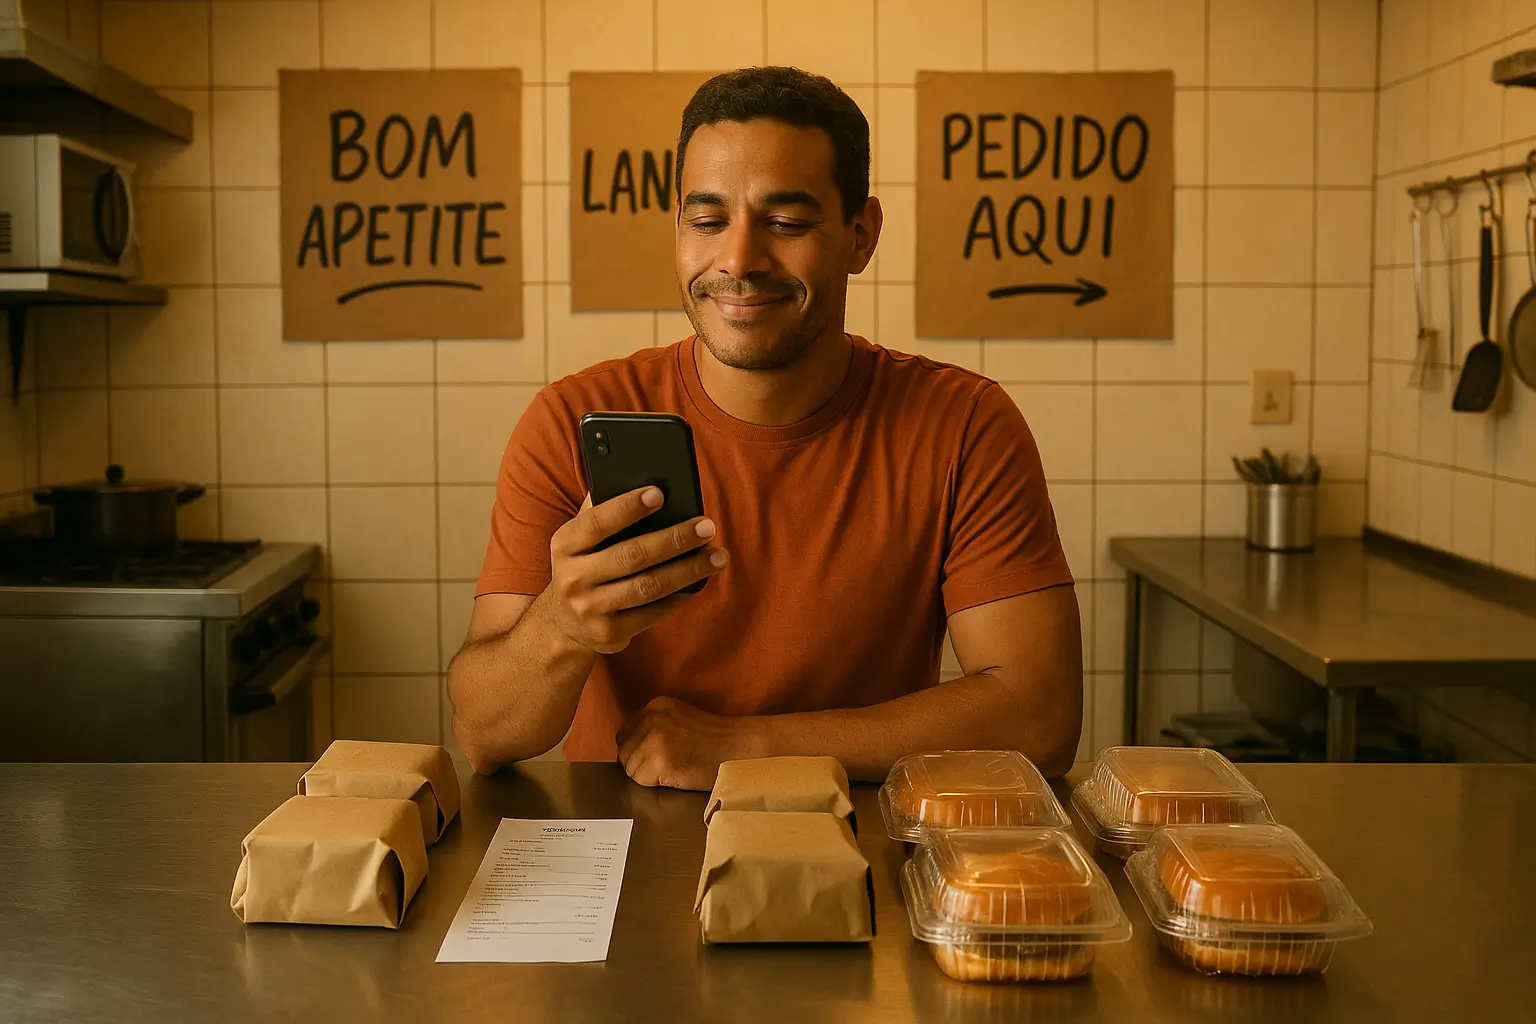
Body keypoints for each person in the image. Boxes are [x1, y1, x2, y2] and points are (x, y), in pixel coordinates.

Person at [447, 66, 1082, 789]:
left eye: (786, 223)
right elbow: (485, 736)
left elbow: (1041, 718)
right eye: (708, 221)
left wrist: (746, 748)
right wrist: (563, 626)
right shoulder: (567, 421)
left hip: (859, 836)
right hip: (625, 838)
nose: (739, 260)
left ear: (861, 235)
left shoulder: (964, 424)